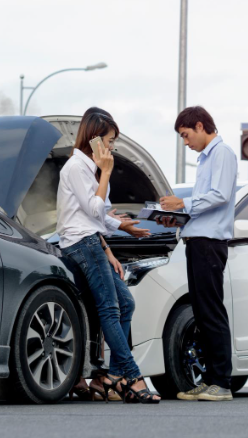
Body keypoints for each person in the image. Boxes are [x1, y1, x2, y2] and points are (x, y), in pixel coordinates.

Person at [57, 108, 160, 404]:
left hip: (92, 241)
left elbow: (100, 213)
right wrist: (106, 171)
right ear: (95, 138)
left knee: (125, 303)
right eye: (110, 140)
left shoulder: (89, 168)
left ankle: (115, 375)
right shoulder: (77, 168)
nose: (113, 146)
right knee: (111, 310)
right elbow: (93, 211)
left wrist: (124, 226)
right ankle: (132, 376)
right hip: (82, 245)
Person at [160, 106, 238, 401]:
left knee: (212, 312)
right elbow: (204, 204)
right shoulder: (206, 159)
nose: (185, 142)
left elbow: (220, 196)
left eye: (186, 135)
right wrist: (177, 216)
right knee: (202, 314)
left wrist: (183, 204)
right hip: (197, 241)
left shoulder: (222, 153)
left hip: (209, 243)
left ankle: (222, 382)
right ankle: (209, 381)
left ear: (200, 125)